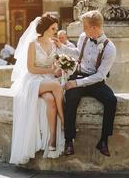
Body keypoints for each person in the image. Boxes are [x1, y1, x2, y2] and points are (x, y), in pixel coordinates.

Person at [53, 10, 117, 157]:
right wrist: (61, 47)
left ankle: (103, 140)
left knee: (111, 100)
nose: (83, 29)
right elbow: (77, 54)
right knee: (70, 98)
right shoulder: (84, 37)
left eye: (85, 26)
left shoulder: (110, 48)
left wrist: (77, 83)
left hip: (96, 81)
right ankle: (69, 140)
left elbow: (100, 75)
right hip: (79, 74)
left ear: (93, 28)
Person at [10, 14, 65, 165]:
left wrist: (59, 69)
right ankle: (64, 120)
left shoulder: (54, 44)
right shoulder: (33, 44)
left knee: (50, 100)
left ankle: (52, 138)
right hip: (33, 80)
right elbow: (31, 68)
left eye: (56, 28)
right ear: (45, 28)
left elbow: (55, 65)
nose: (55, 30)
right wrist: (49, 71)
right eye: (53, 28)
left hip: (47, 80)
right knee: (56, 86)